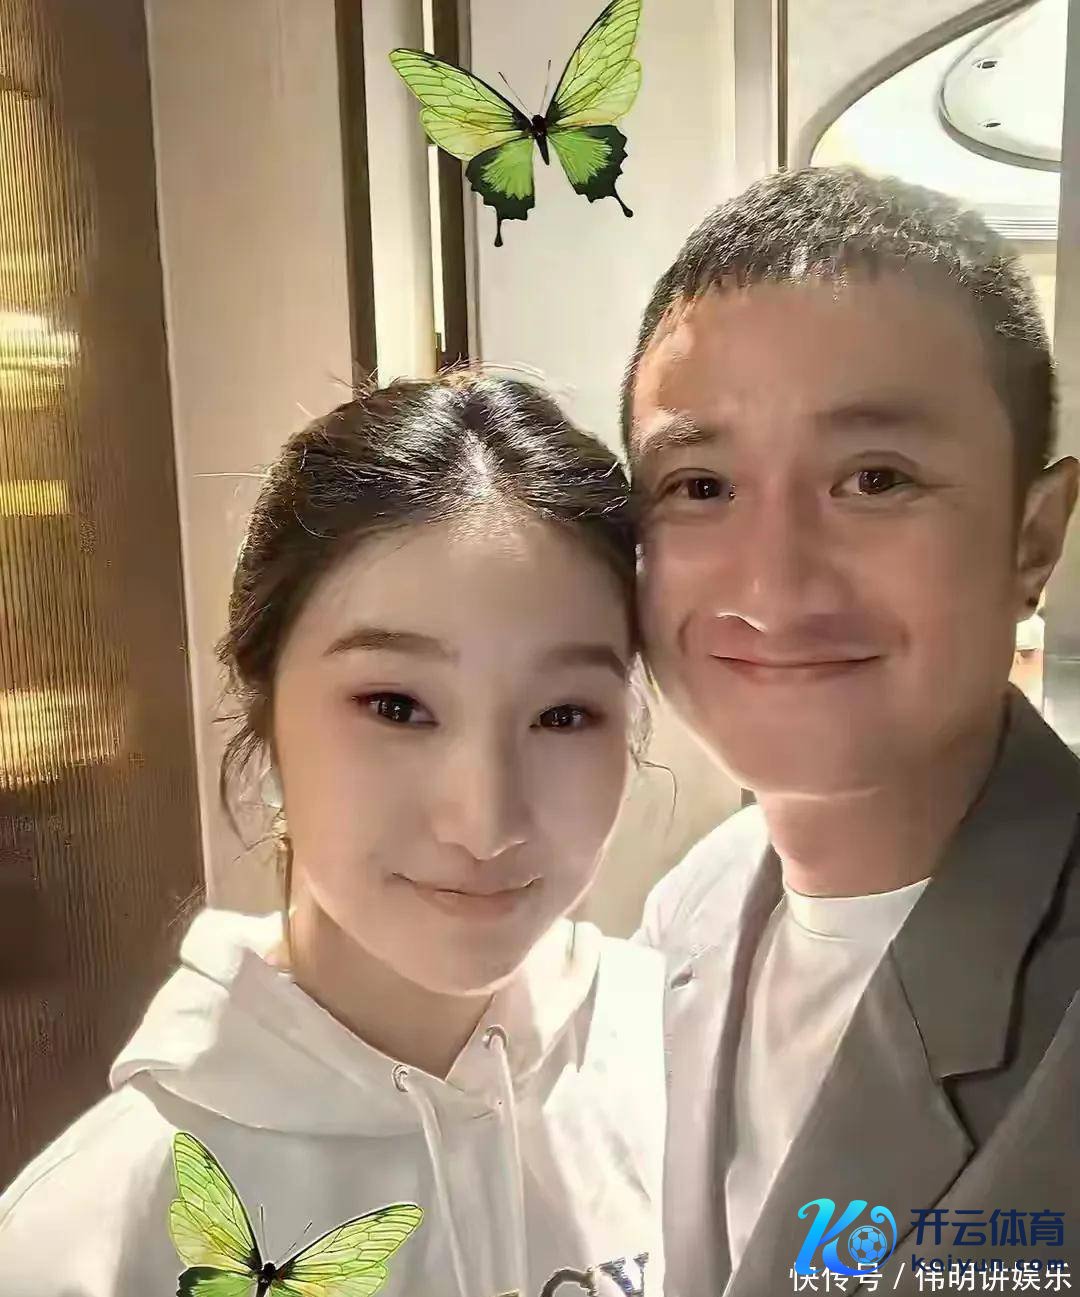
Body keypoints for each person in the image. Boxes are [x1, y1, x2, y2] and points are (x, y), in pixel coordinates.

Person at [0, 373, 664, 1297]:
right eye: (396, 705)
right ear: (264, 707)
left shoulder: (694, 1064)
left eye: (563, 714)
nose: (485, 822)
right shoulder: (91, 1235)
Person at [627, 167, 1080, 1294]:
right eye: (700, 485)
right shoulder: (687, 914)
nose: (773, 586)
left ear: (1033, 538)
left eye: (875, 479)